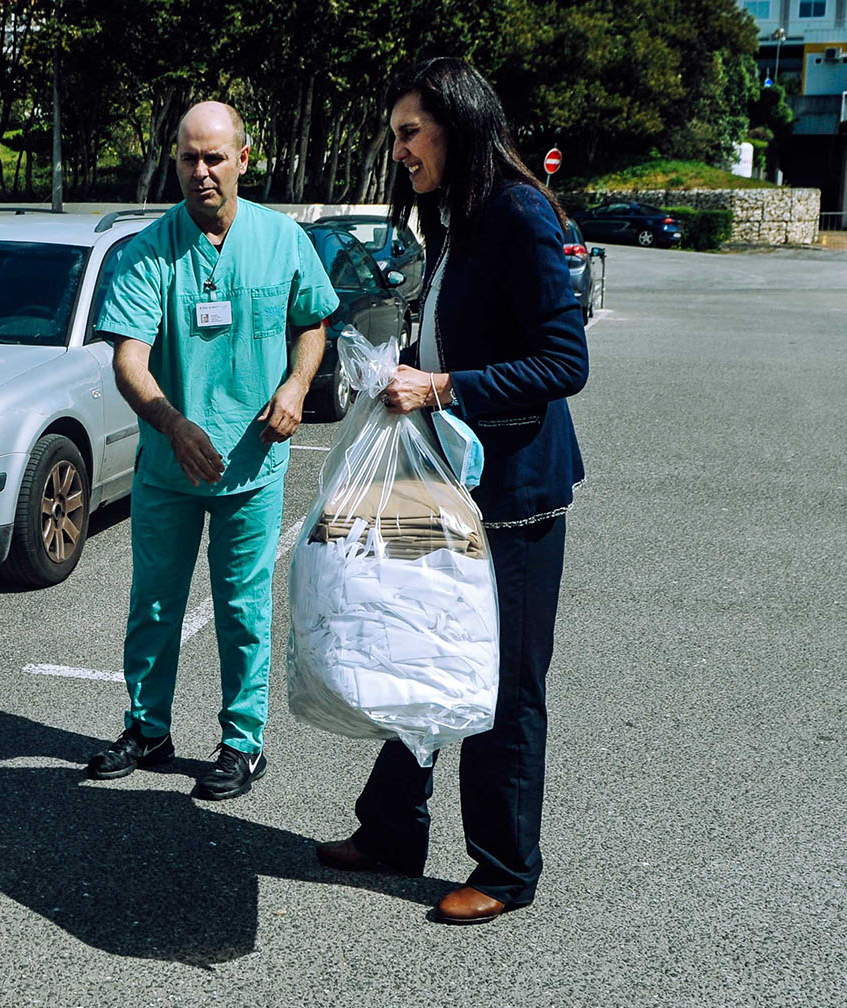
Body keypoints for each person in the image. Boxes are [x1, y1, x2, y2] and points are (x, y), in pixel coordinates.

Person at [315, 58, 590, 925]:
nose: (398, 150)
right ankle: (392, 831)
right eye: (395, 134)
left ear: (457, 126)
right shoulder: (459, 219)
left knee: (503, 683)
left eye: (409, 133)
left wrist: (439, 387)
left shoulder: (517, 214)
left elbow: (564, 362)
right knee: (417, 647)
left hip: (515, 495)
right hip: (444, 479)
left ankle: (506, 869)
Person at [88, 101, 339, 801]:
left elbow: (311, 324)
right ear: (176, 161)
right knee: (156, 605)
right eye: (190, 158)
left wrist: (296, 384)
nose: (202, 171)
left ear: (243, 159)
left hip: (254, 465)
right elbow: (130, 363)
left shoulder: (283, 241)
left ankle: (242, 742)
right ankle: (147, 728)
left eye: (215, 157)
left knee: (242, 608)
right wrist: (171, 423)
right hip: (170, 468)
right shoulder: (146, 252)